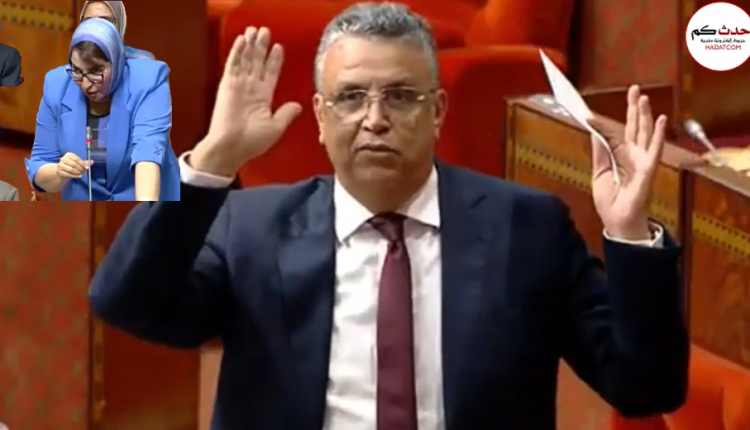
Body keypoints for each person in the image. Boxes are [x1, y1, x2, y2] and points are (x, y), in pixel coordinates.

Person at [89, 3, 688, 430]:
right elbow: (129, 303)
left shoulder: (526, 228)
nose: (375, 119)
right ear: (320, 117)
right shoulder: (252, 227)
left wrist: (629, 234)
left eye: (401, 97)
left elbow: (645, 387)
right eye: (351, 97)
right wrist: (213, 160)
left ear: (439, 112)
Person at [25, 18, 180, 201]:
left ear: (116, 62)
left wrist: (145, 214)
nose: (85, 83)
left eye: (96, 71)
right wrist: (60, 172)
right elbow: (39, 168)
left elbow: (147, 153)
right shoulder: (57, 85)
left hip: (138, 199)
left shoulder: (147, 81)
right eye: (77, 71)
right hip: (86, 206)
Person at [79, 1, 155, 60]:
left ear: (119, 24)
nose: (96, 27)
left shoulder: (142, 60)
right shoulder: (75, 62)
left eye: (105, 20)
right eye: (89, 21)